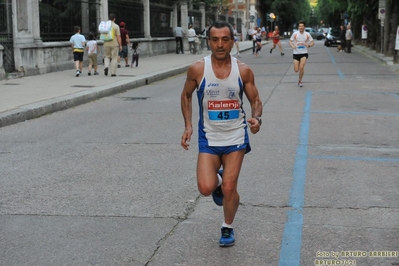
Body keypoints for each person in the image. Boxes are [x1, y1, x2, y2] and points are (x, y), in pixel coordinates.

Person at [180, 21, 263, 247]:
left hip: (236, 136)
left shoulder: (243, 70)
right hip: (209, 137)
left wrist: (257, 119)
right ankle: (219, 180)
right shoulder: (197, 69)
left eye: (225, 39)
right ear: (209, 41)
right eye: (215, 39)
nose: (219, 44)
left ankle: (227, 227)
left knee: (229, 188)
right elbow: (186, 95)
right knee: (206, 188)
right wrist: (188, 126)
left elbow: (255, 100)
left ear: (232, 41)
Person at [289, 20, 314, 87]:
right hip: (296, 53)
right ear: (298, 27)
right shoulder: (295, 34)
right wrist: (292, 46)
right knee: (296, 70)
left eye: (302, 26)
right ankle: (299, 66)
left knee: (302, 67)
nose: (301, 27)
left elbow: (312, 42)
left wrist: (308, 45)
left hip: (304, 53)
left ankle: (300, 81)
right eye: (300, 26)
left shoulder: (307, 34)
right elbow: (290, 41)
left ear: (304, 27)